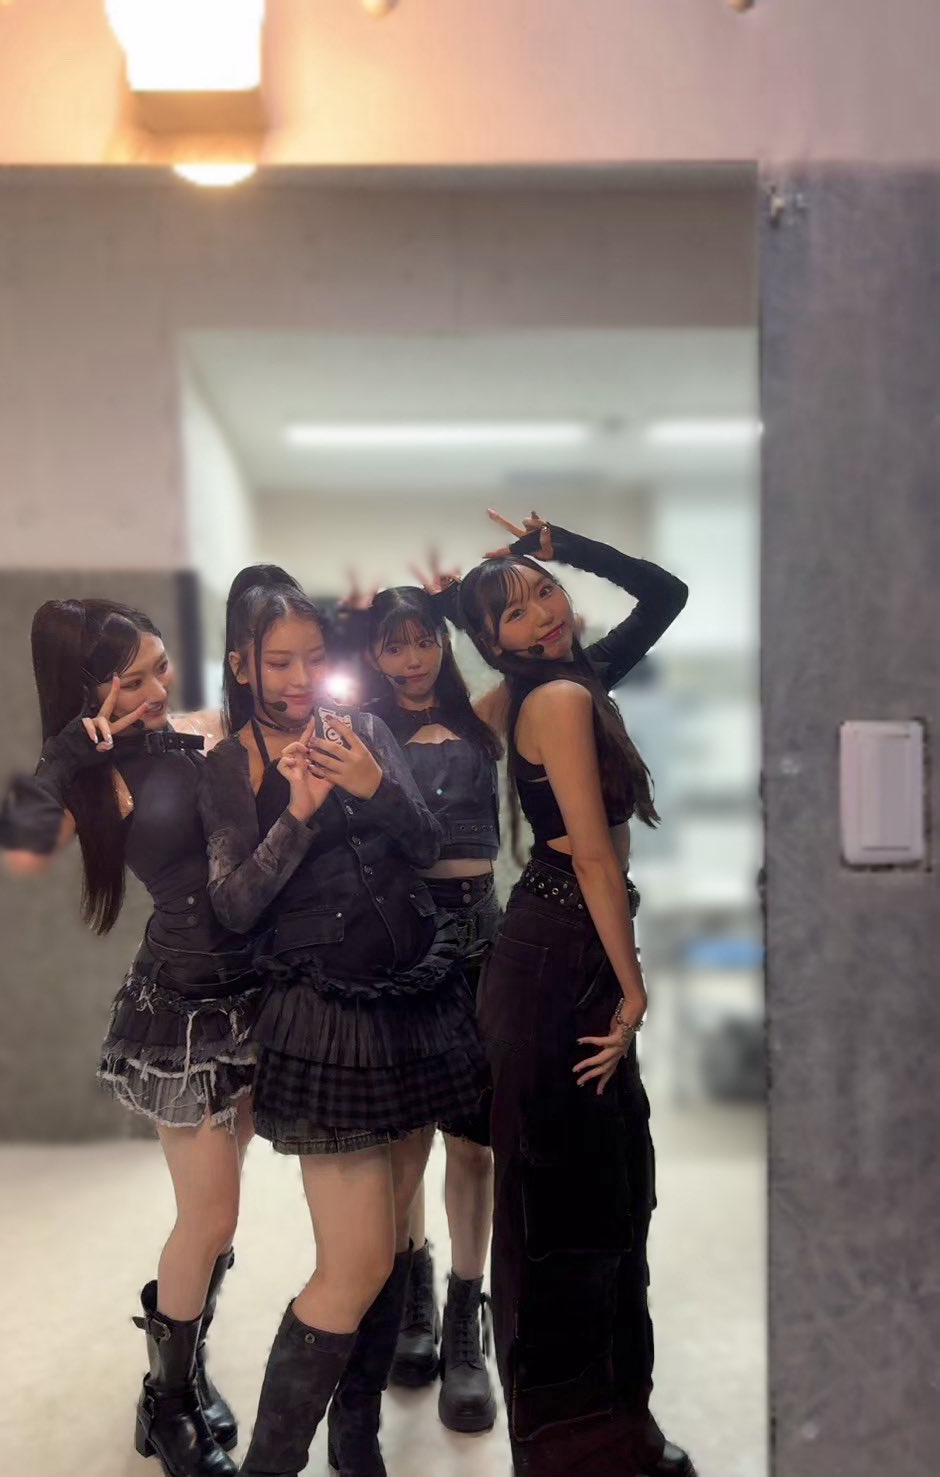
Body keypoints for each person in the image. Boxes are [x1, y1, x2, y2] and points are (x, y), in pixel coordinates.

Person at [0, 597, 327, 1477]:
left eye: (160, 667)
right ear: (86, 689)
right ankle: (165, 1401)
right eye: (131, 680)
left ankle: (186, 1363)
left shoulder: (203, 729)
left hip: (256, 993)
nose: (155, 691)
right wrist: (64, 754)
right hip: (183, 1013)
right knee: (211, 1215)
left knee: (217, 1211)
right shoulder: (97, 780)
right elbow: (19, 850)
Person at [211, 566, 490, 1477]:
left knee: (394, 1240)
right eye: (277, 662)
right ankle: (271, 1463)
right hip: (325, 1021)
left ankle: (357, 1437)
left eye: (312, 657)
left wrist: (373, 784)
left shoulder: (363, 727)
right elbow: (235, 903)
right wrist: (297, 810)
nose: (298, 679)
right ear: (242, 664)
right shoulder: (230, 763)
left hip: (412, 1002)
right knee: (357, 1259)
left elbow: (426, 843)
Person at [453, 512, 695, 1477]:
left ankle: (616, 1429)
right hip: (563, 953)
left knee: (604, 1191)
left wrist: (563, 543)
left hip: (562, 943)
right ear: (492, 641)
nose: (544, 613)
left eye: (544, 592)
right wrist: (634, 991)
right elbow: (593, 856)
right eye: (515, 612)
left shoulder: (570, 678)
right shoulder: (551, 698)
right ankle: (574, 1446)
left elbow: (666, 594)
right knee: (568, 1201)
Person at [335, 574, 502, 1435]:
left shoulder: (487, 714)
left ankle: (468, 1321)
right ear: (372, 651)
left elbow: (592, 657)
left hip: (485, 938)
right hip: (405, 937)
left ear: (445, 640)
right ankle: (415, 1294)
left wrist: (468, 592)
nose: (411, 657)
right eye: (392, 643)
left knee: (473, 1142)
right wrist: (351, 616)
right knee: (405, 1140)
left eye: (424, 638)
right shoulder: (364, 727)